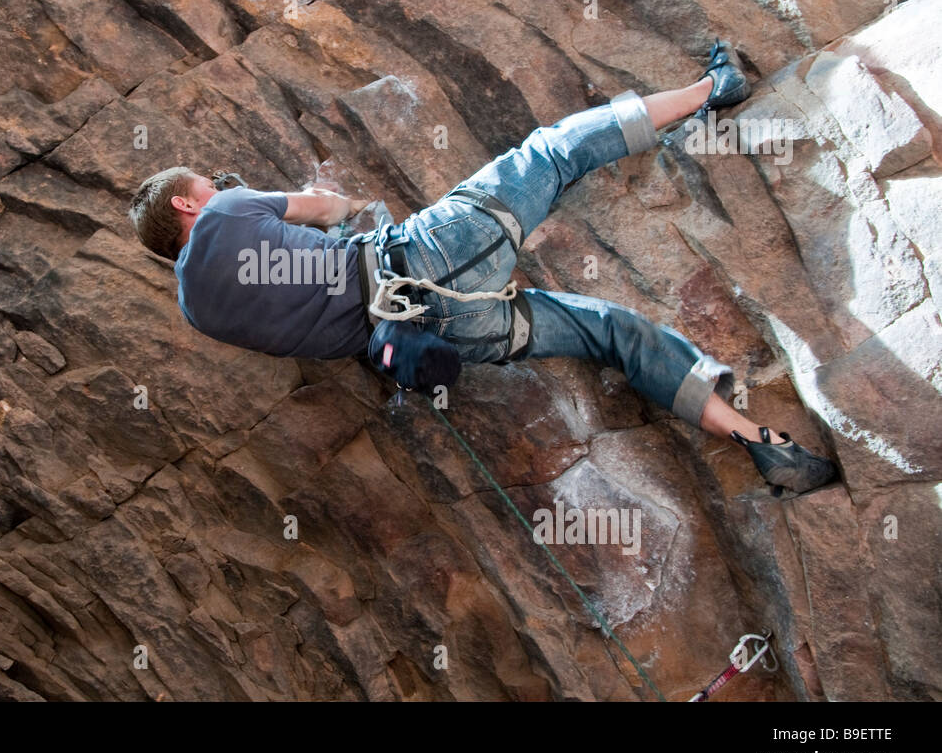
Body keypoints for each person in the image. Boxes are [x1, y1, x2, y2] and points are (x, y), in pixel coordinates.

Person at [128, 40, 838, 496]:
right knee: (555, 152)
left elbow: (290, 304)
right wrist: (331, 206)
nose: (217, 192)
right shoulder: (223, 214)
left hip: (440, 338)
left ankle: (760, 442)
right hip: (426, 255)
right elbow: (324, 207)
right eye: (209, 187)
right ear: (189, 207)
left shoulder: (199, 312)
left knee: (608, 334)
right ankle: (712, 88)